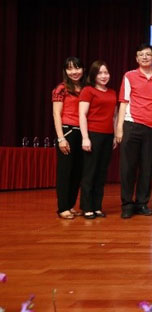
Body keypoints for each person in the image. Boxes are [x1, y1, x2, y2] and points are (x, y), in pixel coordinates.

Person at [116, 43, 152, 219]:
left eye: (148, 54)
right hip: (132, 125)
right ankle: (127, 204)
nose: (145, 57)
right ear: (137, 59)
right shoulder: (129, 76)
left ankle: (142, 203)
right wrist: (119, 128)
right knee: (128, 168)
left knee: (147, 168)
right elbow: (123, 102)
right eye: (141, 55)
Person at [79, 60, 118, 219]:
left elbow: (114, 116)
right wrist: (85, 138)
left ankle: (97, 206)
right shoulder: (88, 91)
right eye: (100, 73)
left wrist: (115, 135)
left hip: (108, 136)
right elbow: (82, 115)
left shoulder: (112, 92)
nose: (104, 76)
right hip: (93, 134)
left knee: (101, 173)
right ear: (94, 75)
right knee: (90, 173)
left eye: (106, 73)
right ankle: (86, 207)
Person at [52, 57, 85, 219]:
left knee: (77, 172)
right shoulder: (61, 88)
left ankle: (71, 205)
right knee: (65, 172)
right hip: (67, 132)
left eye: (77, 68)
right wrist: (60, 138)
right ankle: (62, 207)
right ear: (65, 71)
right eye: (70, 69)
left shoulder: (86, 88)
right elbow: (56, 114)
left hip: (83, 133)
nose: (74, 72)